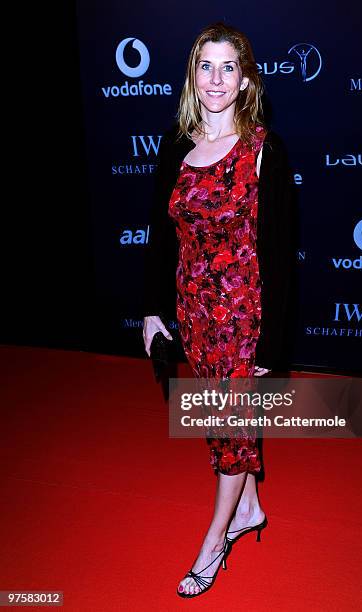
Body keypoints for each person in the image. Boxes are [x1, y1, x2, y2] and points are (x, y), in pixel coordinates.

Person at [142, 21, 297, 598]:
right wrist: (155, 310)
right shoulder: (176, 145)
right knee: (218, 423)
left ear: (246, 77)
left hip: (243, 317)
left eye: (228, 66)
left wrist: (272, 346)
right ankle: (251, 508)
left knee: (231, 429)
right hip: (195, 312)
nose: (216, 78)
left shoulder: (264, 150)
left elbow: (281, 255)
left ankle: (214, 542)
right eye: (205, 65)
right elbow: (162, 237)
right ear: (192, 76)